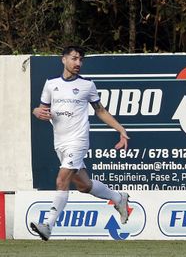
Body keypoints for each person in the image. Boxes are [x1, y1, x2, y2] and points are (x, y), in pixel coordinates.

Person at [30, 46, 131, 241]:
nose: (78, 63)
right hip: (60, 142)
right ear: (64, 59)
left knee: (61, 180)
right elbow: (42, 109)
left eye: (81, 60)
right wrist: (36, 112)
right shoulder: (51, 84)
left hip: (78, 140)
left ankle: (48, 225)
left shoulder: (87, 85)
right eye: (74, 58)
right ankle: (119, 198)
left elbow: (100, 111)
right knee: (84, 185)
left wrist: (121, 130)